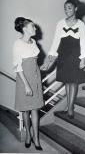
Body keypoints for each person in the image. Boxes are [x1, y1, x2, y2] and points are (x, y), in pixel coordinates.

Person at [41, 0, 85, 118]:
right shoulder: (60, 23)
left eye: (69, 8)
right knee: (67, 82)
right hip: (63, 55)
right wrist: (49, 59)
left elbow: (83, 42)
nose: (66, 10)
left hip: (76, 55)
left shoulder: (81, 24)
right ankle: (69, 106)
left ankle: (70, 108)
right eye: (65, 8)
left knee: (73, 82)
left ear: (75, 9)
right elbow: (55, 42)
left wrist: (83, 59)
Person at [13, 17, 44, 150]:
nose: (35, 28)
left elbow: (35, 59)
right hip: (24, 77)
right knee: (25, 108)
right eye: (33, 26)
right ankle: (28, 136)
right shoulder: (17, 44)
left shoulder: (34, 41)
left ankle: (36, 137)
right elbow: (17, 66)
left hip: (35, 75)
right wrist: (26, 85)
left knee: (35, 108)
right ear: (25, 29)